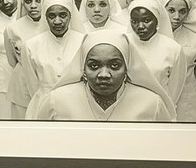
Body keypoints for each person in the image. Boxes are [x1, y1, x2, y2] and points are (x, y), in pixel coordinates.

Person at [37, 27, 175, 122]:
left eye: (114, 65)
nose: (104, 74)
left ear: (127, 67)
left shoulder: (151, 103)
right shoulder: (56, 101)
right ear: (83, 68)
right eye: (94, 66)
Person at [22, 0, 88, 119]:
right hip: (42, 104)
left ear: (71, 15)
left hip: (77, 104)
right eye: (52, 16)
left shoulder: (84, 41)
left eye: (63, 15)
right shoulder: (31, 45)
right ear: (45, 17)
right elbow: (32, 84)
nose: (57, 21)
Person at [159, 0, 196, 122]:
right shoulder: (151, 36)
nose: (176, 16)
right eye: (171, 10)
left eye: (182, 11)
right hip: (159, 95)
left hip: (187, 96)